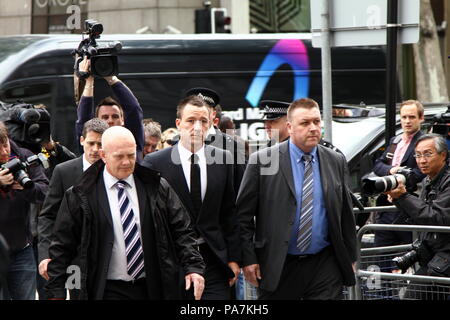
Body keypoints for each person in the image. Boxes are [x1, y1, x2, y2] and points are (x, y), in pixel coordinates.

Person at [45, 126, 205, 300]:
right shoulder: (81, 194)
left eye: (131, 155)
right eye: (119, 156)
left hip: (152, 287)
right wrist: (56, 292)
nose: (127, 162)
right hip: (105, 289)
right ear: (103, 155)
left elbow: (182, 229)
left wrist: (193, 267)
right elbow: (62, 245)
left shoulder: (156, 186)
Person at [237, 98, 357, 300]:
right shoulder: (263, 160)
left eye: (317, 122)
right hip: (279, 264)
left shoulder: (335, 160)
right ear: (290, 127)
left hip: (324, 263)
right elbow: (242, 217)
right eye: (305, 123)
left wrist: (351, 256)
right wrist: (248, 259)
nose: (313, 128)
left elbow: (345, 212)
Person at [143, 95, 241, 300]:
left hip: (214, 259)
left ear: (211, 124)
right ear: (179, 124)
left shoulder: (224, 159)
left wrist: (234, 257)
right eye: (190, 121)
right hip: (172, 261)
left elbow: (229, 212)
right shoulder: (155, 163)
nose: (197, 127)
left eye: (203, 121)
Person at [37, 118, 109, 285]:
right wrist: (45, 255)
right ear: (82, 140)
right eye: (91, 143)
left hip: (107, 255)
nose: (95, 150)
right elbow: (48, 215)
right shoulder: (64, 172)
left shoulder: (113, 170)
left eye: (100, 144)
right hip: (73, 258)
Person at [386, 133, 450, 300]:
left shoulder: (447, 181)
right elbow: (420, 215)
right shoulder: (430, 180)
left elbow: (437, 218)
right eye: (418, 155)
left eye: (428, 154)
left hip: (443, 259)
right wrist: (398, 199)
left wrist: (403, 197)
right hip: (434, 256)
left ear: (443, 155)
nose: (422, 160)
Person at [0, 121, 49, 300]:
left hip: (22, 248)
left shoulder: (24, 156)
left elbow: (46, 192)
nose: (4, 152)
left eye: (4, 144)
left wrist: (27, 188)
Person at [372, 100, 426, 248]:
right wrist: (391, 170)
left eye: (412, 117)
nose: (407, 121)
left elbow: (418, 174)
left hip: (408, 207)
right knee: (380, 256)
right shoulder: (395, 140)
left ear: (421, 118)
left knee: (411, 256)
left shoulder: (425, 143)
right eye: (404, 117)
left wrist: (399, 178)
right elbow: (377, 164)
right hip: (385, 208)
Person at [75, 57, 144, 160]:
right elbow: (84, 120)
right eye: (105, 117)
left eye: (115, 116)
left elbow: (133, 109)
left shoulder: (130, 140)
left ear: (122, 120)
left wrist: (110, 77)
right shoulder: (92, 148)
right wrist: (89, 81)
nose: (110, 121)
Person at [184, 87, 247, 194]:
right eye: (194, 107)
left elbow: (240, 188)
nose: (199, 112)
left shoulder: (231, 145)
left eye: (205, 109)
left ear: (213, 114)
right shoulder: (179, 143)